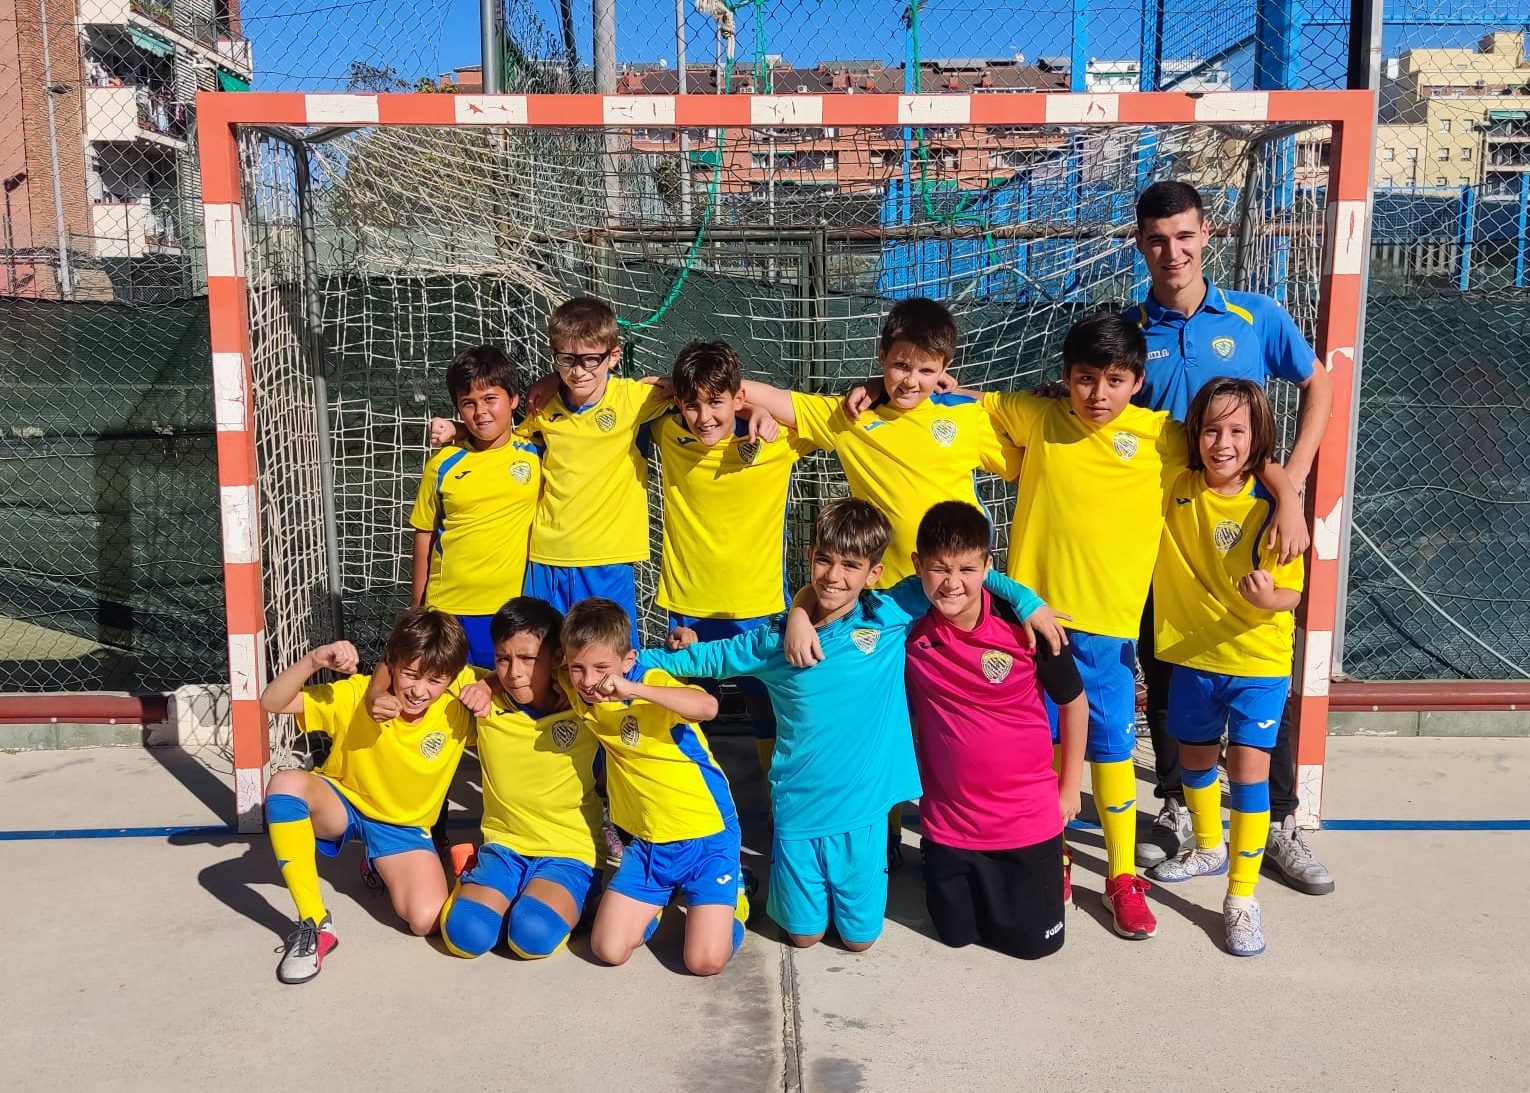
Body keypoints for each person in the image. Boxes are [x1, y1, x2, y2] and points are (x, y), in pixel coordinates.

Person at [979, 312, 1301, 942]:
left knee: (1112, 754)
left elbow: (1241, 450)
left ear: (1137, 381)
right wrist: (890, 389)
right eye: (1084, 379)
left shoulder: (1161, 436)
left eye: (1114, 380)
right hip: (1033, 626)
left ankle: (1122, 875)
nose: (1098, 393)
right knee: (1043, 755)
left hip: (1108, 632)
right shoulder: (1038, 416)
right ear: (1064, 377)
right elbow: (964, 404)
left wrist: (1288, 498)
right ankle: (1053, 859)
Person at [638, 498, 1059, 951]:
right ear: (809, 558)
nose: (834, 576)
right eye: (824, 560)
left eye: (851, 566)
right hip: (798, 810)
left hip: (864, 815)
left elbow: (959, 569)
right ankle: (740, 893)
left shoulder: (889, 614)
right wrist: (629, 665)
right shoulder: (776, 640)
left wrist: (1026, 600)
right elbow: (705, 659)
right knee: (803, 937)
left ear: (874, 574)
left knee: (859, 942)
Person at [1129, 180, 1334, 896]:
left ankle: (1277, 820)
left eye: (1184, 236)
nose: (1173, 252)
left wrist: (1291, 486)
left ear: (1206, 235)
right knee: (1167, 667)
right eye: (1158, 240)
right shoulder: (1128, 331)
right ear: (1140, 245)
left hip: (1250, 529)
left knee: (1262, 670)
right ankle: (1182, 810)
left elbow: (1319, 385)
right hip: (1171, 539)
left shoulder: (1256, 315)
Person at [1146, 379, 1305, 956]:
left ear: (1257, 437)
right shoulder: (1176, 484)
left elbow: (1291, 593)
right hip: (1193, 654)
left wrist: (1268, 597)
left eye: (1238, 430)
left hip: (1257, 661)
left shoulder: (1271, 507)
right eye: (1212, 429)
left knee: (1247, 775)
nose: (1223, 442)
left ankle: (1241, 898)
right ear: (1195, 434)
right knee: (1193, 758)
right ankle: (1208, 845)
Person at [257, 607, 484, 984]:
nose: (419, 690)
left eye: (434, 680)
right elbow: (272, 702)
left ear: (451, 677)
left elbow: (508, 682)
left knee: (426, 920)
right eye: (410, 674)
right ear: (391, 663)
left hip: (403, 827)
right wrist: (314, 660)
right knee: (285, 784)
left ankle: (376, 862)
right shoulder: (357, 693)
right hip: (343, 803)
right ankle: (314, 923)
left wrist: (487, 689)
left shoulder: (456, 708)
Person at [906, 501, 1087, 960]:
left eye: (968, 569)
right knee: (954, 937)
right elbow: (840, 601)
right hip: (950, 828)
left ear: (989, 567)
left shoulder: (1026, 624)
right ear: (917, 566)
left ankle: (1052, 868)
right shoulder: (904, 626)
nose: (952, 583)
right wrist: (802, 614)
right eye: (939, 568)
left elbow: (1074, 705)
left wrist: (1069, 789)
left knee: (1034, 950)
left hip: (1026, 821)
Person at [737, 296, 1019, 589]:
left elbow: (1029, 470)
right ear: (882, 355)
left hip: (956, 590)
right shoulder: (849, 417)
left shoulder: (967, 416)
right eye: (901, 365)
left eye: (926, 371)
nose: (911, 381)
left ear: (944, 367)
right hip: (885, 595)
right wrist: (751, 409)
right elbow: (755, 393)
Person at [430, 298, 670, 635]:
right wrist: (460, 429)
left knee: (609, 656)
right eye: (567, 360)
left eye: (590, 359)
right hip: (545, 559)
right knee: (543, 653)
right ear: (554, 356)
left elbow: (706, 395)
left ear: (614, 356)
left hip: (607, 561)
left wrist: (750, 405)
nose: (578, 371)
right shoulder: (543, 408)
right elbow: (504, 436)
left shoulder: (635, 398)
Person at [562, 598, 749, 977]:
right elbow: (525, 669)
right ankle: (658, 903)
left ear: (628, 660)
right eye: (577, 668)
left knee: (704, 962)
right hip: (649, 842)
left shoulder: (650, 681)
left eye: (601, 668)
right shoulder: (577, 688)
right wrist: (486, 685)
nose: (588, 680)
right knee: (608, 949)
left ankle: (736, 899)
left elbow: (707, 707)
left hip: (706, 834)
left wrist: (633, 689)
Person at [654, 340, 813, 784]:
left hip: (759, 605)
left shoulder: (778, 440)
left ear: (737, 397)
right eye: (691, 404)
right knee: (685, 713)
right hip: (689, 606)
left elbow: (828, 413)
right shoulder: (666, 432)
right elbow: (618, 395)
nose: (703, 416)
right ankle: (695, 804)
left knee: (770, 710)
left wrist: (757, 409)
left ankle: (778, 803)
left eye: (716, 402)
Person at [438, 598, 604, 961]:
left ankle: (588, 895)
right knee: (467, 935)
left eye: (528, 658)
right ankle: (475, 874)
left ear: (557, 658)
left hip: (569, 850)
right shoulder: (482, 700)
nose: (514, 672)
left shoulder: (586, 700)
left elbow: (627, 667)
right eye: (503, 658)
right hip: (505, 847)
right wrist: (487, 683)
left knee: (531, 934)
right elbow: (406, 661)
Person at [409, 345, 541, 670]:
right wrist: (418, 609)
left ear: (514, 399)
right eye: (468, 403)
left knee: (501, 694)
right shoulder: (442, 465)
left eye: (490, 399)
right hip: (448, 608)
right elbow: (424, 534)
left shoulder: (537, 453)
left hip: (509, 611)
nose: (480, 411)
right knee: (446, 696)